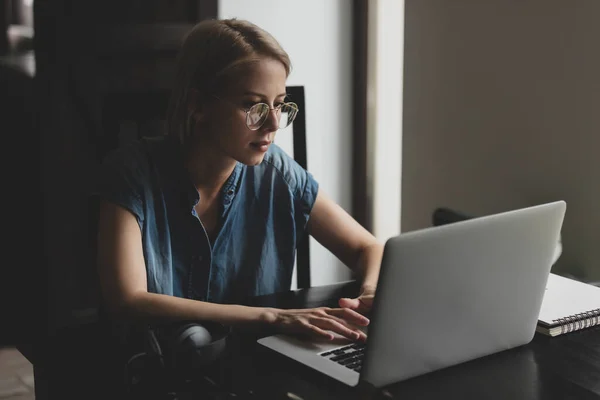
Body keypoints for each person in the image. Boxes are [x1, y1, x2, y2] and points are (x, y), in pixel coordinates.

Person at [93, 18, 384, 348]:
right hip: (154, 370)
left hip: (254, 365)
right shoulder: (131, 173)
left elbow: (368, 248)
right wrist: (271, 316)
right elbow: (128, 300)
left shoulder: (280, 173)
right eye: (252, 105)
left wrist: (371, 291)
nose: (273, 123)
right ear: (198, 105)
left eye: (279, 104)